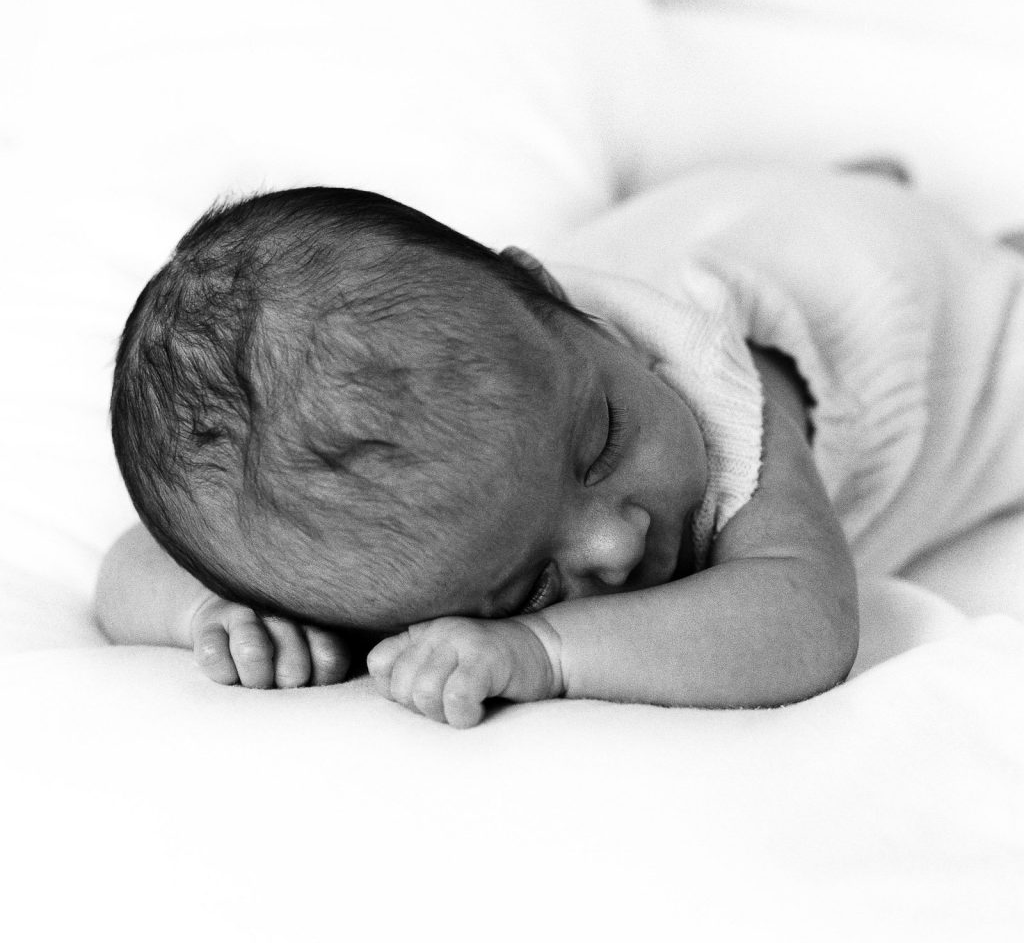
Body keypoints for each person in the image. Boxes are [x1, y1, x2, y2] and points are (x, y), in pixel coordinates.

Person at [96, 163, 1024, 727]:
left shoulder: (722, 389)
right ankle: (838, 180)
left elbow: (804, 621)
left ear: (556, 301)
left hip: (905, 309)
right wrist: (214, 615)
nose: (616, 544)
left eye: (604, 441)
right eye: (528, 583)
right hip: (706, 225)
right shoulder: (380, 540)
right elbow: (133, 564)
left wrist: (542, 641)